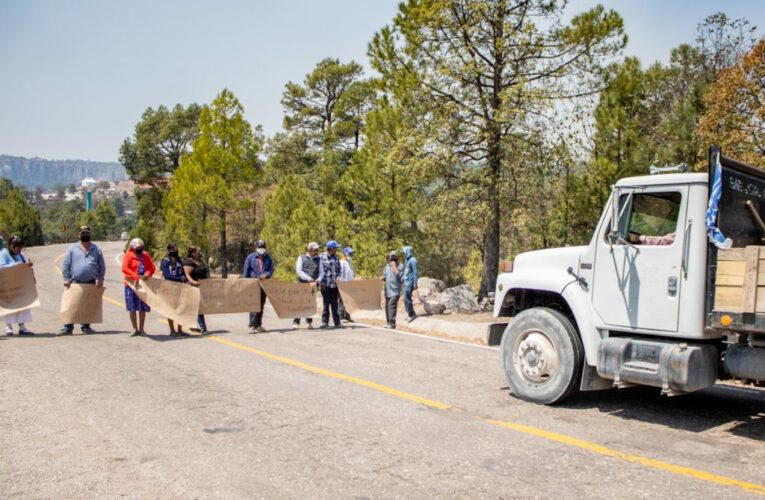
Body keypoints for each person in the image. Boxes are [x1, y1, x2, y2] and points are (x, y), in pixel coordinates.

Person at [60, 226, 105, 335]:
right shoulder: (72, 248)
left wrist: (100, 279)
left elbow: (101, 265)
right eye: (83, 232)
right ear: (78, 235)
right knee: (72, 305)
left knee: (87, 305)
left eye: (87, 232)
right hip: (75, 281)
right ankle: (68, 327)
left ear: (90, 234)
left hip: (90, 281)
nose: (85, 234)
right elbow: (66, 264)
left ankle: (86, 327)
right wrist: (66, 278)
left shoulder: (96, 249)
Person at [121, 238, 156, 337]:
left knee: (142, 307)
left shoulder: (145, 255)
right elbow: (125, 268)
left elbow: (151, 267)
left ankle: (141, 329)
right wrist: (134, 276)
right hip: (131, 283)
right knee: (132, 306)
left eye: (140, 247)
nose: (139, 249)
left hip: (143, 283)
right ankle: (134, 328)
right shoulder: (129, 255)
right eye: (137, 247)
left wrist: (147, 273)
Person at [0, 237, 34, 336]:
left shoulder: (21, 255)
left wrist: (28, 265)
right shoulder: (3, 254)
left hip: (20, 284)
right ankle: (8, 327)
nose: (18, 249)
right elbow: (1, 267)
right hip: (8, 285)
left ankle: (22, 328)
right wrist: (14, 265)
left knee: (22, 306)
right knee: (9, 306)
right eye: (16, 247)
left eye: (20, 247)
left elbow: (23, 266)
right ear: (11, 246)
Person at [242, 239, 274, 334]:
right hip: (253, 284)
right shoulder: (250, 258)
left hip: (264, 284)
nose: (261, 249)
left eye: (263, 247)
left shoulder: (268, 257)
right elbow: (246, 272)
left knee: (261, 305)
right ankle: (252, 325)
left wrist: (266, 275)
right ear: (256, 248)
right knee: (253, 305)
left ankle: (258, 324)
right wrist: (255, 277)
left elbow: (271, 269)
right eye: (260, 247)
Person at [161, 243, 189, 337]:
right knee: (171, 309)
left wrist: (185, 279)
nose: (175, 251)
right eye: (173, 250)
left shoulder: (178, 260)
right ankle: (172, 330)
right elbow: (167, 275)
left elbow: (183, 272)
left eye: (176, 249)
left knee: (180, 309)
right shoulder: (165, 261)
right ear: (169, 251)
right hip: (169, 287)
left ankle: (180, 330)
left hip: (180, 287)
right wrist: (179, 279)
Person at [293, 242, 321, 330]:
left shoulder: (319, 259)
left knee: (310, 303)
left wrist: (318, 279)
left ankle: (309, 322)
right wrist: (308, 278)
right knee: (300, 303)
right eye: (315, 249)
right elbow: (299, 271)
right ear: (310, 249)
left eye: (316, 249)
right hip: (302, 284)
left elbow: (321, 271)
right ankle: (296, 322)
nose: (316, 251)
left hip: (312, 285)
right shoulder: (301, 258)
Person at [183, 246, 210, 335]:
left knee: (196, 307)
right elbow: (186, 274)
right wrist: (192, 282)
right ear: (193, 252)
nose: (199, 253)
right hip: (193, 287)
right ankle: (203, 328)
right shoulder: (188, 261)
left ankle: (193, 326)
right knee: (198, 307)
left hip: (203, 286)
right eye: (198, 251)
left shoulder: (200, 261)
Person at [317, 240, 343, 329]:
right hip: (325, 284)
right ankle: (325, 322)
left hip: (334, 285)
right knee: (325, 304)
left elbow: (339, 269)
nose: (336, 249)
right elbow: (319, 271)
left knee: (335, 304)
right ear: (331, 248)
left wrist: (339, 276)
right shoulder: (322, 257)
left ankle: (337, 322)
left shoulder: (336, 257)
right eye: (335, 247)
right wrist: (321, 282)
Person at [382, 250, 402, 329]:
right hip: (387, 290)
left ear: (397, 258)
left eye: (394, 257)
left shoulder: (400, 266)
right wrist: (382, 278)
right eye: (391, 257)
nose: (393, 259)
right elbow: (385, 276)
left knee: (392, 306)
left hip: (395, 290)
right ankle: (388, 322)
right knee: (387, 306)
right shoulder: (387, 266)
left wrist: (394, 267)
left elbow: (400, 277)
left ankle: (392, 323)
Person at [401, 245, 419, 323]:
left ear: (407, 252)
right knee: (405, 299)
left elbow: (415, 272)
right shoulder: (406, 260)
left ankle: (412, 314)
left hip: (410, 282)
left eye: (404, 252)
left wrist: (415, 282)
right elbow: (406, 271)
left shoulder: (412, 260)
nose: (403, 254)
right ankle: (409, 313)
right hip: (405, 281)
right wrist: (402, 278)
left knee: (407, 298)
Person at [338, 246, 355, 322]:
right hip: (343, 285)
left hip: (349, 285)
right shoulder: (342, 262)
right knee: (342, 301)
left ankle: (347, 316)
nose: (351, 255)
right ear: (345, 254)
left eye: (352, 254)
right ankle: (341, 317)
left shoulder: (349, 263)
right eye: (350, 254)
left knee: (348, 301)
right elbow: (340, 274)